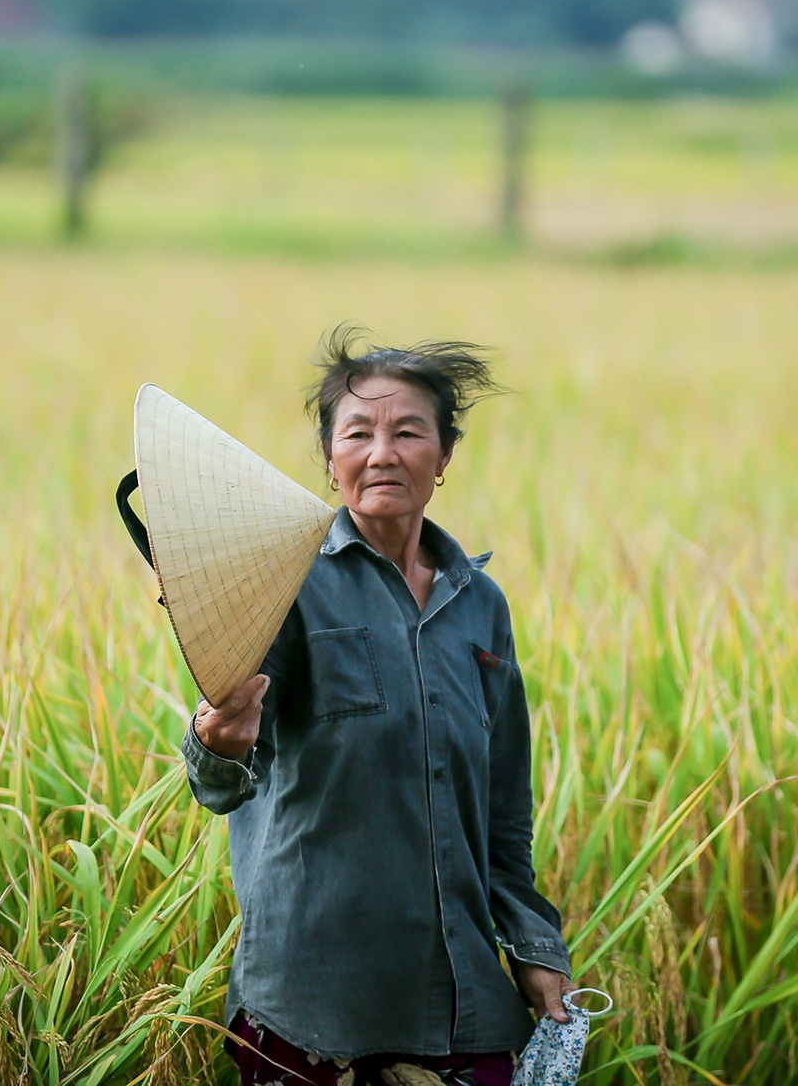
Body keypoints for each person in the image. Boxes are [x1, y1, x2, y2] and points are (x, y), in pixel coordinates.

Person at [180, 326, 575, 1086]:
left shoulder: (479, 605)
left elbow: (502, 812)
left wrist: (533, 948)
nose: (381, 452)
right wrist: (217, 737)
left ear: (445, 455)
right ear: (330, 461)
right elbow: (220, 785)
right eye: (357, 433)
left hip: (463, 1000)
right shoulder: (282, 584)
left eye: (407, 432)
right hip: (313, 1003)